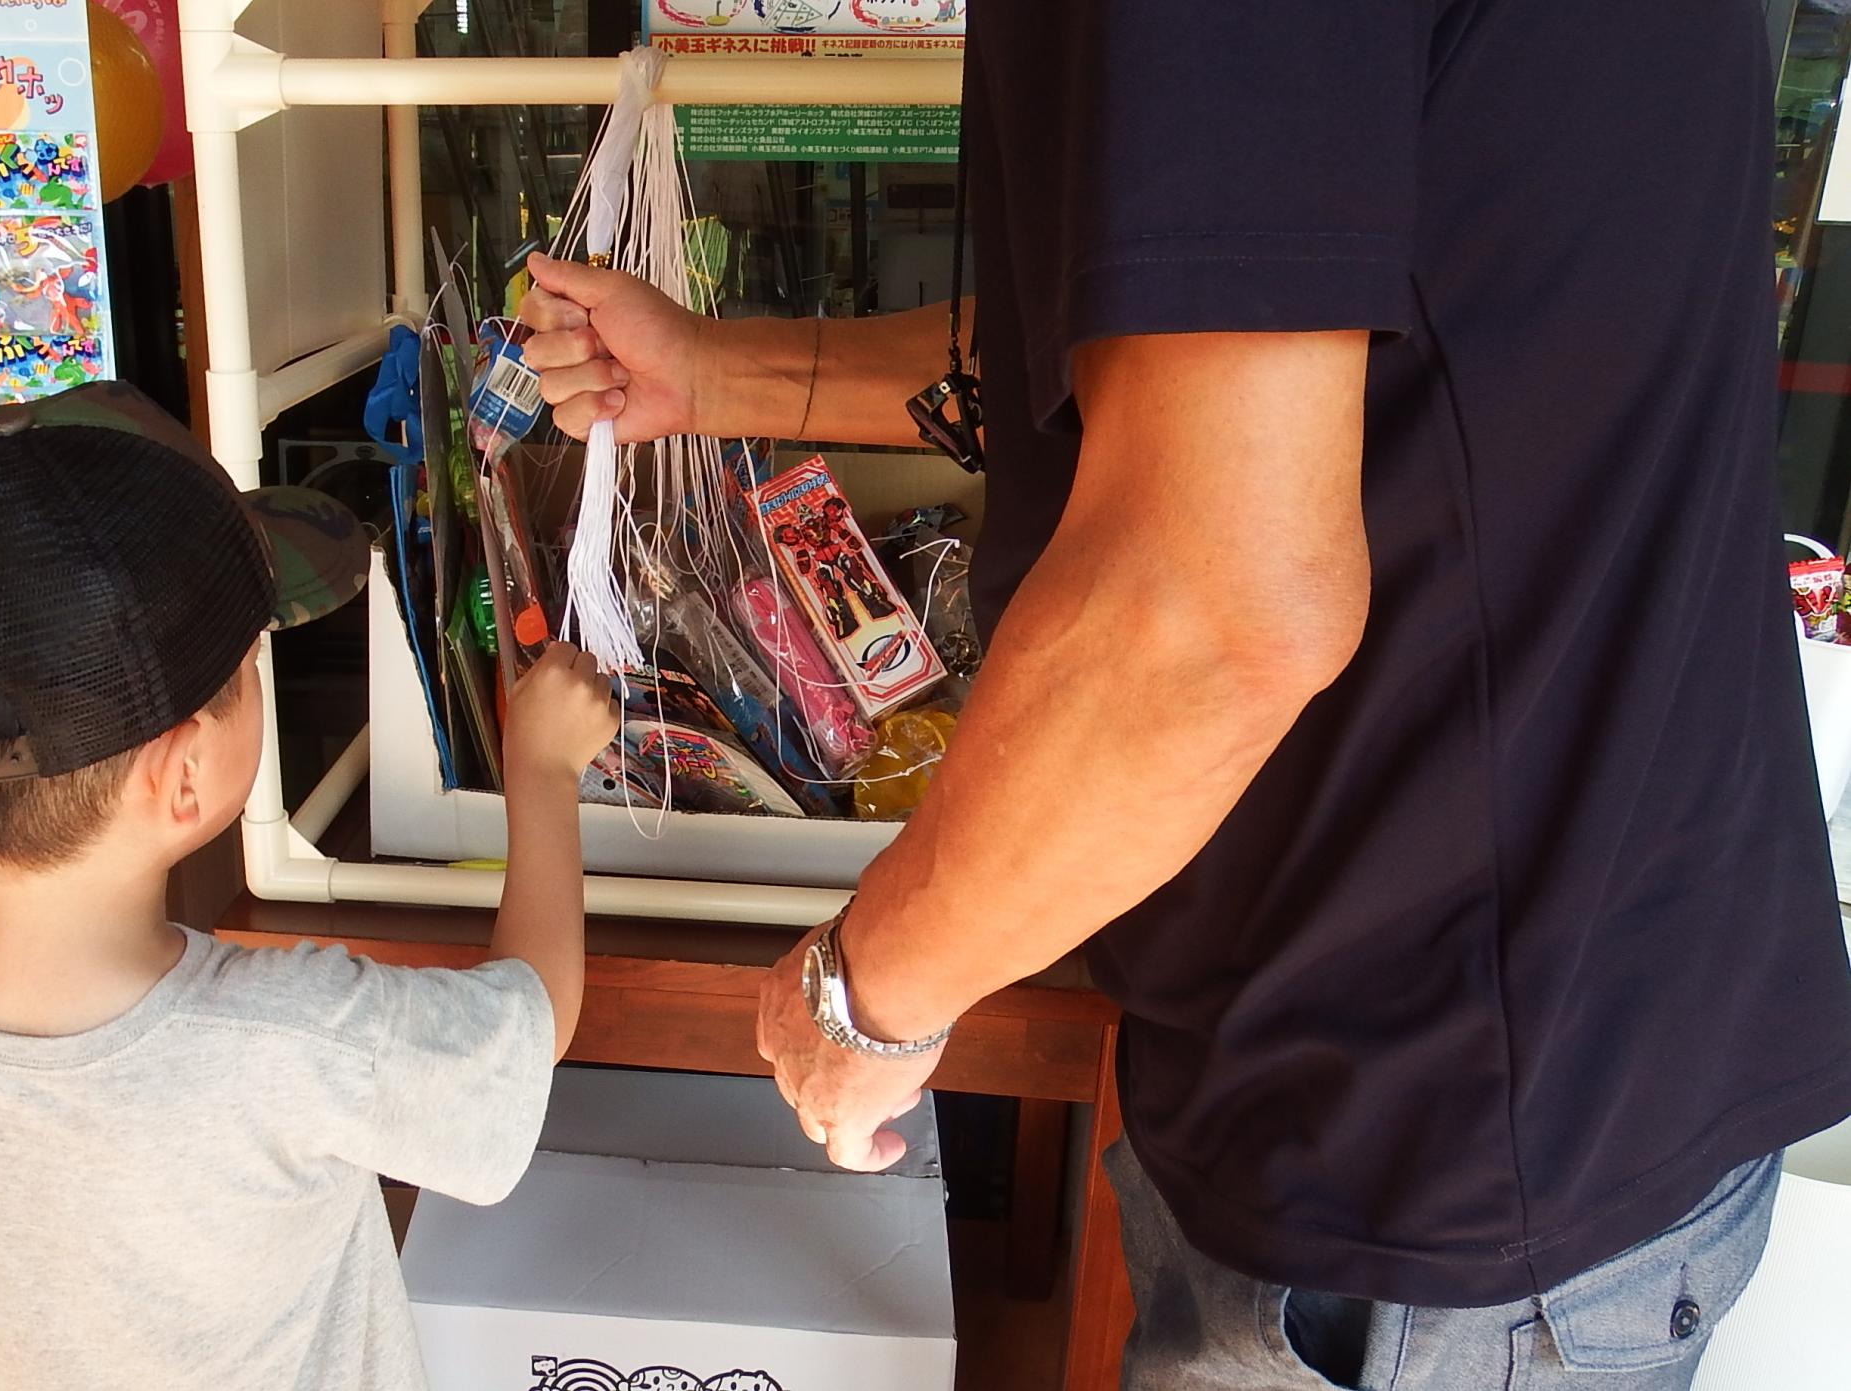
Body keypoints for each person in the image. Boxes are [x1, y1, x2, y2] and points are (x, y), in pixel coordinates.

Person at [519, 4, 1851, 1386]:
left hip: (1438, 1164)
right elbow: (1192, 327)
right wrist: (712, 371)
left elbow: (1209, 613)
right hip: (1553, 1047)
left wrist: (866, 994)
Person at [0, 383, 618, 1391]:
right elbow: (532, 1026)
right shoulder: (287, 1037)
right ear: (183, 773)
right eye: (250, 662)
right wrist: (541, 769)